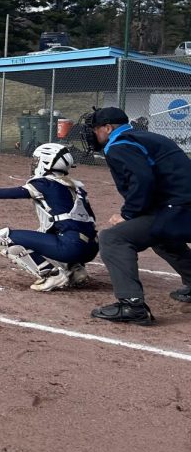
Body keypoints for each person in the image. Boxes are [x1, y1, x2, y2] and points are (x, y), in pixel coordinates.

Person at [81, 106, 191, 326]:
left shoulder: (119, 144)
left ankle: (132, 305)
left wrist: (128, 214)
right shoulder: (145, 137)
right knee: (161, 238)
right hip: (178, 207)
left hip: (180, 209)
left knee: (113, 238)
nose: (93, 134)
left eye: (96, 129)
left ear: (108, 128)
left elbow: (143, 180)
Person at [0, 142, 98, 292]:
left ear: (47, 162)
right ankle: (76, 269)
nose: (34, 164)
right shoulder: (75, 186)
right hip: (91, 248)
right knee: (47, 230)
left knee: (4, 238)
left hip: (71, 246)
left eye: (37, 160)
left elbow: (15, 192)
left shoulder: (44, 183)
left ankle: (51, 275)